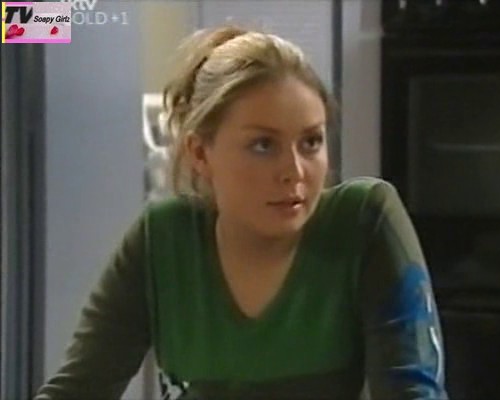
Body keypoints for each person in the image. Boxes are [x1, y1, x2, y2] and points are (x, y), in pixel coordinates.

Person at [35, 25, 448, 400]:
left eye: (311, 142)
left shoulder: (363, 221)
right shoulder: (162, 239)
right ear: (200, 153)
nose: (294, 171)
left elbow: (412, 393)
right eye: (263, 145)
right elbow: (76, 390)